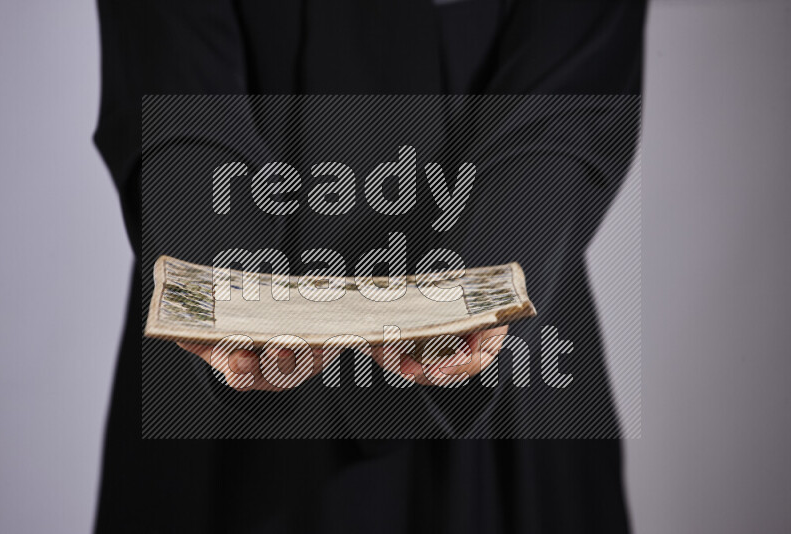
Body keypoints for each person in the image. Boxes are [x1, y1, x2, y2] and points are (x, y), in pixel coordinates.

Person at [93, 0, 646, 532]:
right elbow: (169, 67)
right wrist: (221, 285)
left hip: (510, 345)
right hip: (225, 385)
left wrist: (473, 290)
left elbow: (573, 84)